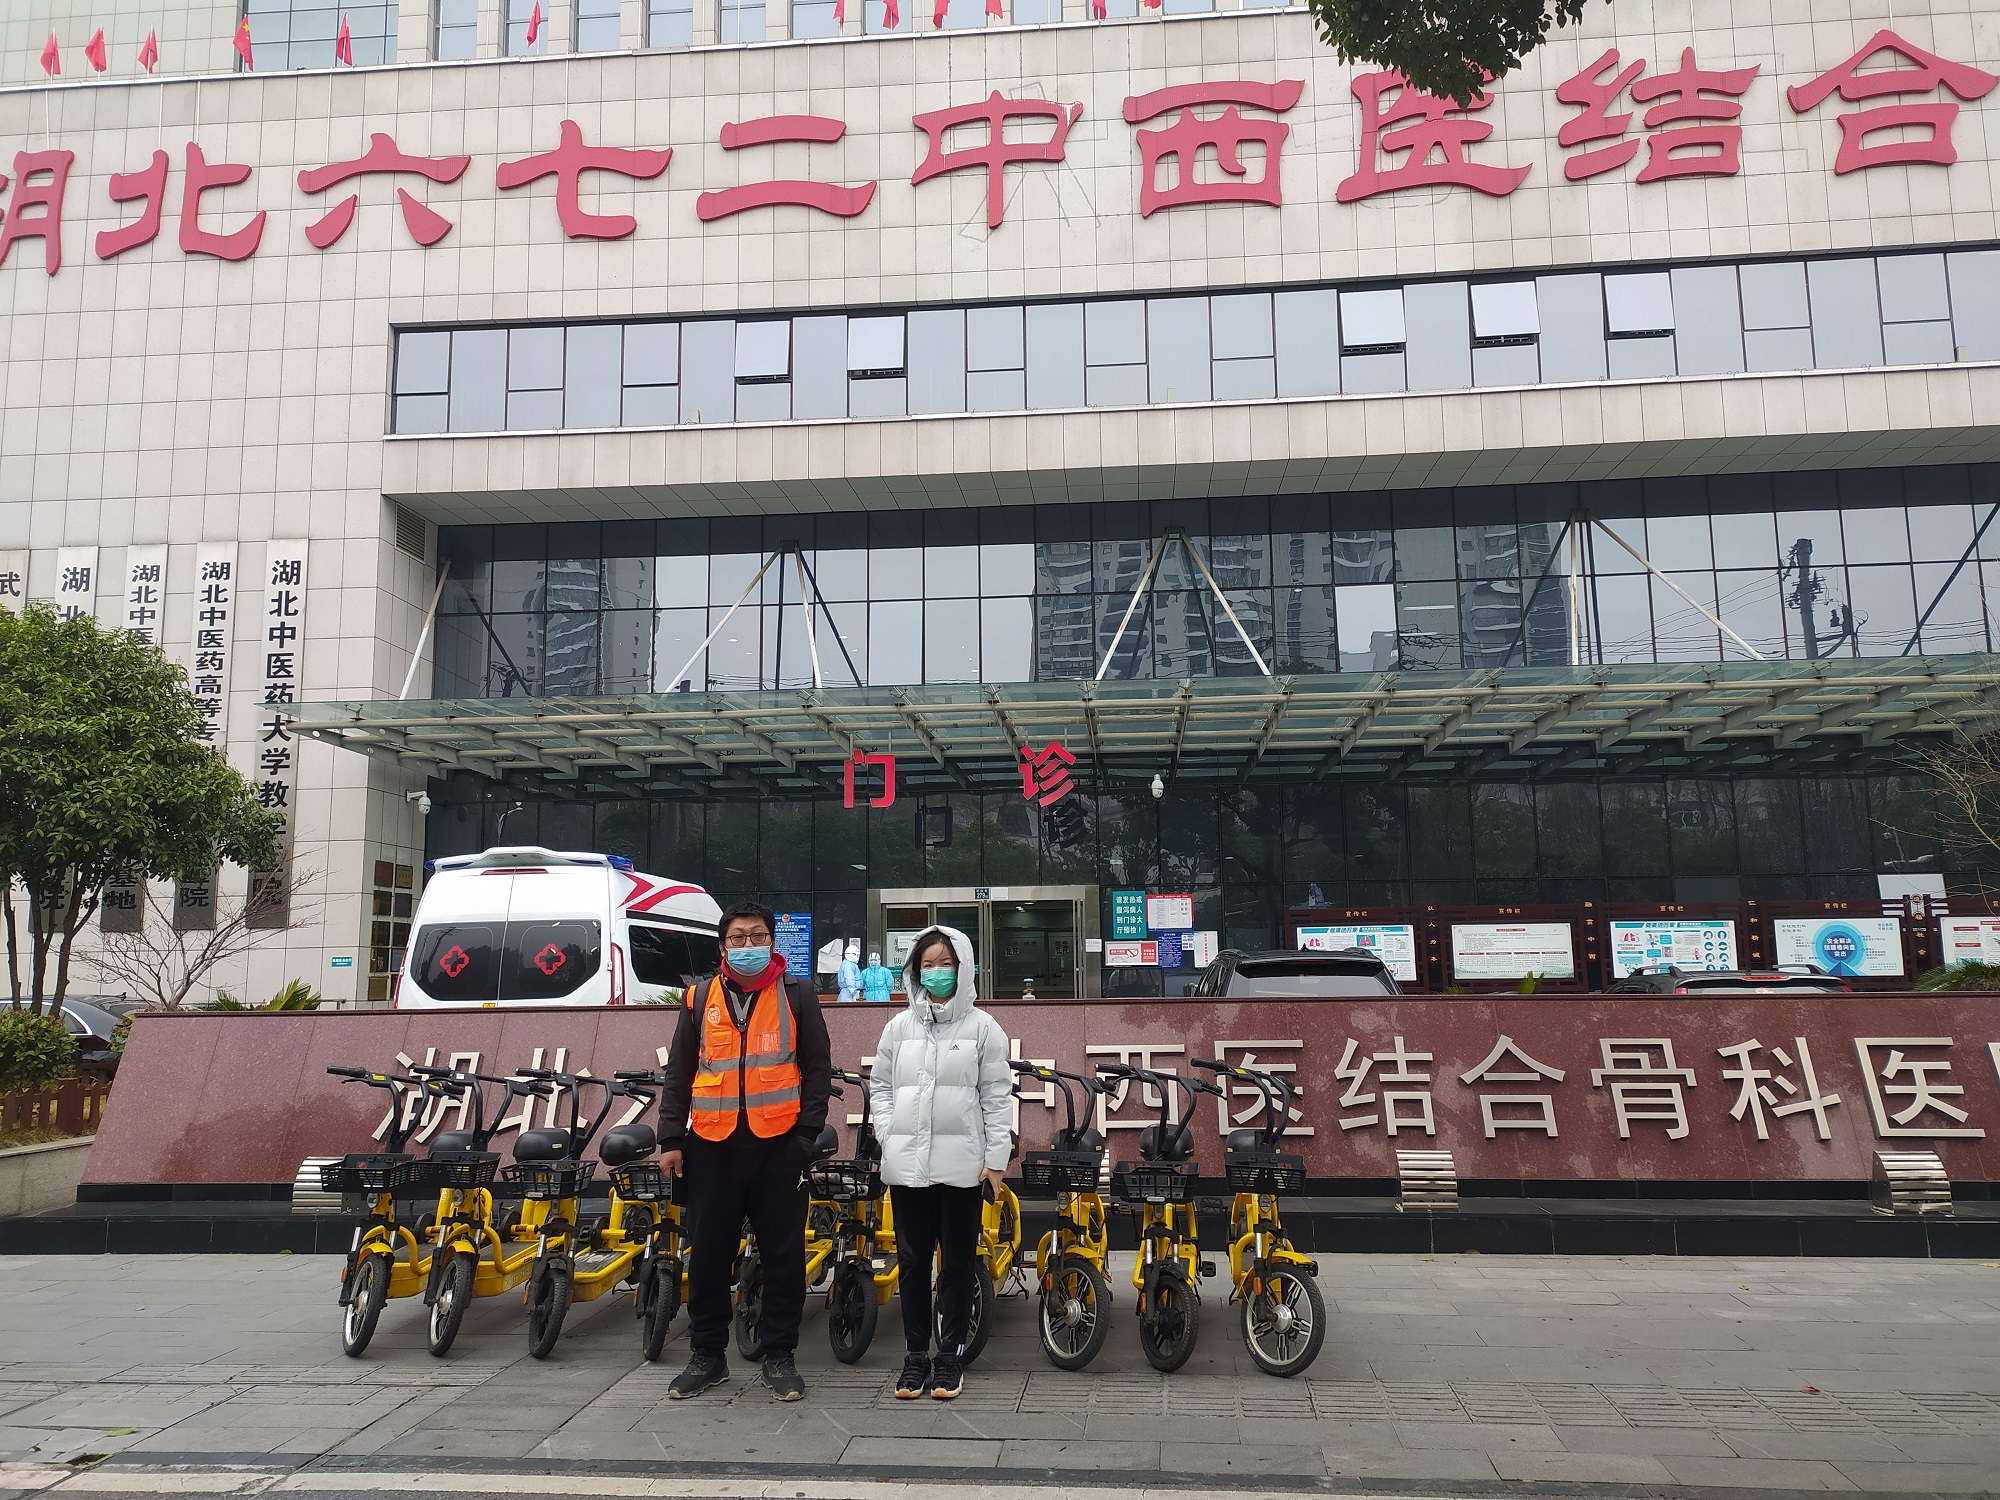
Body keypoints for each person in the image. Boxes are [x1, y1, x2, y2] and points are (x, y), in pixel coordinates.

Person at [657, 899, 832, 1403]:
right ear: (722, 946)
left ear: (772, 942)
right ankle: (707, 1356)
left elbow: (817, 1068)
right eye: (738, 938)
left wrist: (806, 1137)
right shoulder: (699, 998)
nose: (748, 945)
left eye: (758, 936)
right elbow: (680, 1071)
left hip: (780, 1148)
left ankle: (779, 1355)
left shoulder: (797, 994)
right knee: (708, 1257)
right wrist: (671, 1138)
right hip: (711, 1148)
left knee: (783, 1257)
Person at [867, 925, 1012, 1400]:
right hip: (908, 1169)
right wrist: (888, 1134)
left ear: (963, 968)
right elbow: (881, 1087)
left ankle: (950, 1356)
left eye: (945, 963)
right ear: (914, 971)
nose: (936, 972)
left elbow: (997, 1097)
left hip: (962, 1169)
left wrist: (995, 1160)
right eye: (927, 964)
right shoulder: (897, 1028)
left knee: (957, 1264)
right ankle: (915, 1357)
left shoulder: (984, 1028)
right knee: (912, 1263)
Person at [837, 940, 863, 1004]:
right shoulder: (849, 965)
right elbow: (850, 980)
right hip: (849, 995)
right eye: (857, 955)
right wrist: (854, 994)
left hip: (847, 993)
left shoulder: (847, 963)